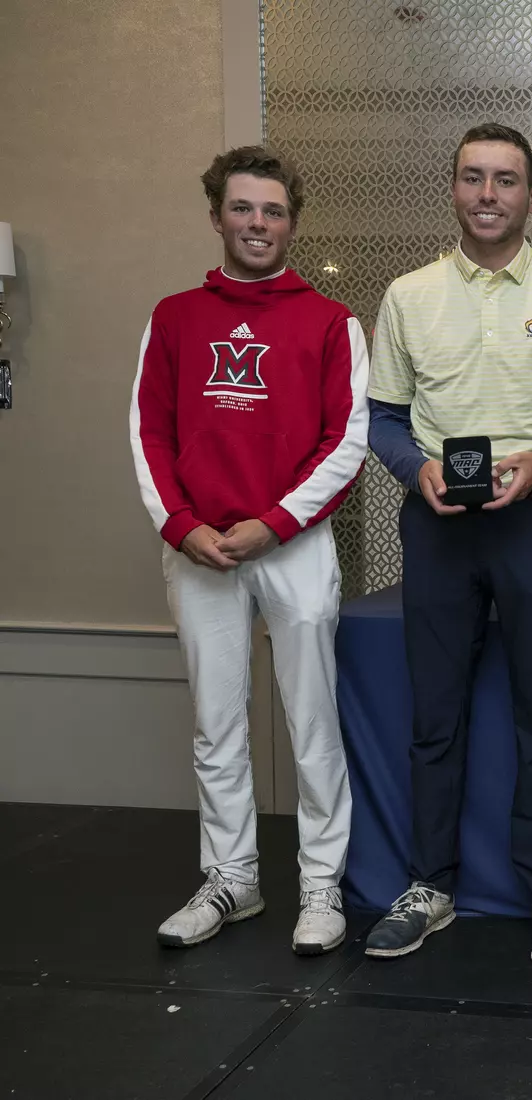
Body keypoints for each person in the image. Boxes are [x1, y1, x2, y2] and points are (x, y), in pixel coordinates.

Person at [362, 123, 532, 969]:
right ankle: (429, 885)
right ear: (454, 190)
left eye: (505, 180)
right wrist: (414, 471)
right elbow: (387, 418)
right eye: (473, 178)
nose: (488, 194)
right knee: (435, 717)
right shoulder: (407, 295)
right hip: (437, 524)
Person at [131, 146, 368, 954]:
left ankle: (321, 888)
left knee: (312, 723)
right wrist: (182, 527)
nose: (257, 223)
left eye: (271, 210)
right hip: (200, 548)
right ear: (216, 217)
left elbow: (347, 442)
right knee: (216, 726)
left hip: (291, 545)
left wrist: (275, 521)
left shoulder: (333, 321)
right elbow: (148, 434)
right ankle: (232, 880)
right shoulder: (173, 317)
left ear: (291, 222)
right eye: (242, 208)